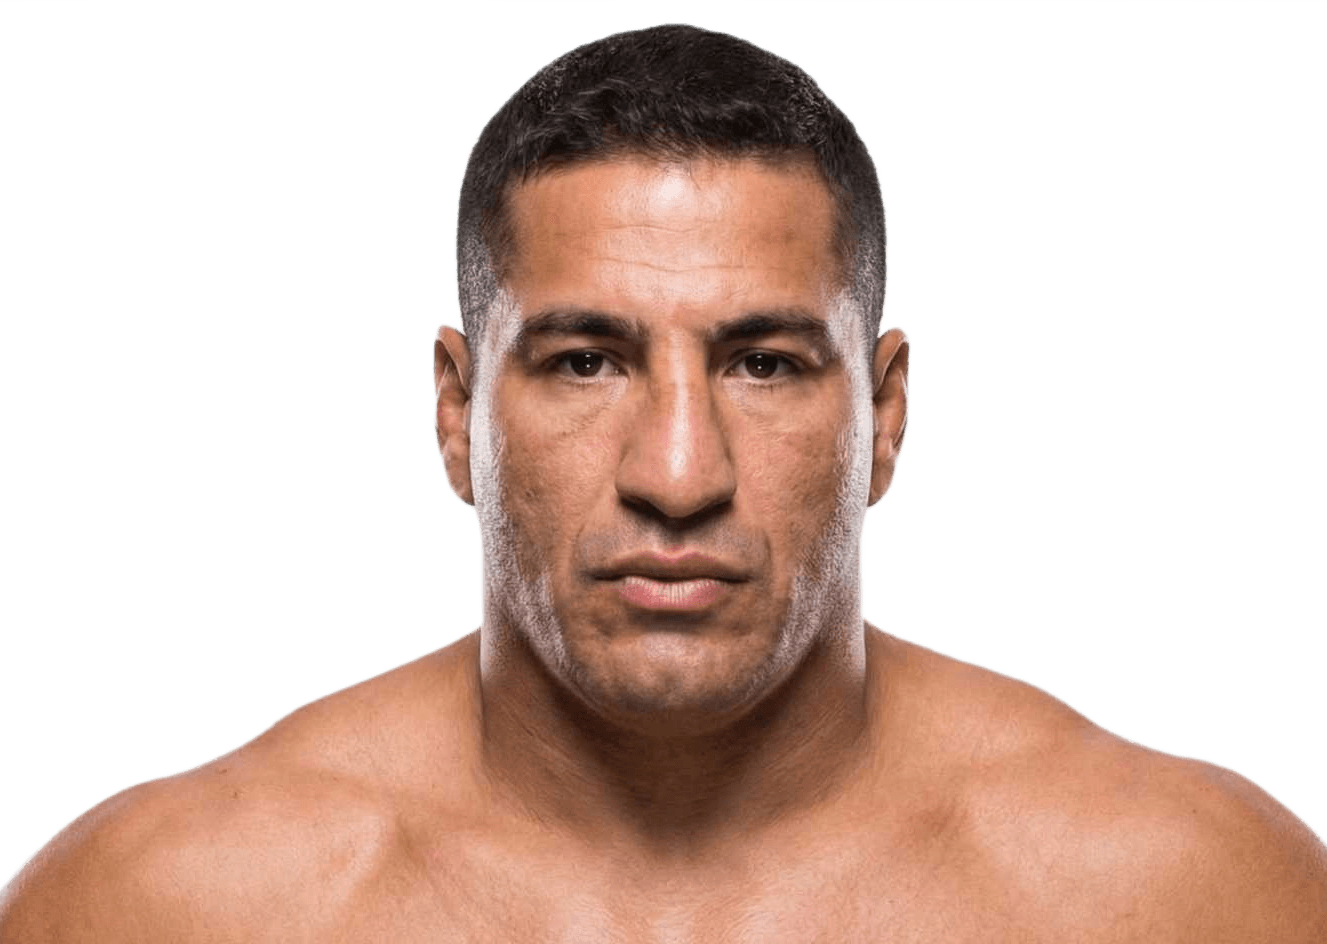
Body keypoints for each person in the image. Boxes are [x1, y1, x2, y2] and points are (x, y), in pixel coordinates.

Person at [2, 21, 1323, 942]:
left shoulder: (1187, 897)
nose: (678, 475)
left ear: (884, 414)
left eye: (763, 364)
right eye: (584, 363)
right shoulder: (165, 908)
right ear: (457, 412)